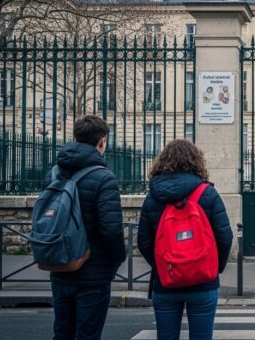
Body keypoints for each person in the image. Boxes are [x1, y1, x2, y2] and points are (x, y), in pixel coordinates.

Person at [138, 139, 233, 340]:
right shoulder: (208, 193)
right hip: (203, 281)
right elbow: (225, 237)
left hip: (166, 281)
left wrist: (163, 265)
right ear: (196, 162)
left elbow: (143, 241)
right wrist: (214, 268)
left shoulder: (153, 197)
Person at [47, 115, 126, 340]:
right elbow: (111, 229)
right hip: (94, 272)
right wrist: (117, 259)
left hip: (59, 265)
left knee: (62, 332)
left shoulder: (54, 174)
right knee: (87, 334)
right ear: (101, 142)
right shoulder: (104, 179)